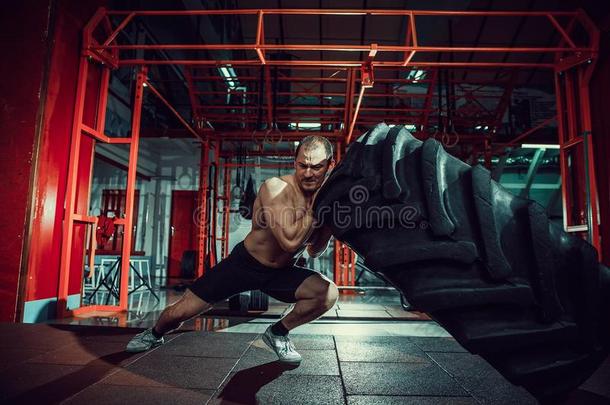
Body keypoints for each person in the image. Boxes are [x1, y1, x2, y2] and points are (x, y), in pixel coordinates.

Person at [126, 135, 338, 364]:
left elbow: (314, 251)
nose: (308, 173)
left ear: (330, 165)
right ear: (293, 161)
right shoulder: (276, 188)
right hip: (244, 264)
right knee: (180, 312)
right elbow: (290, 242)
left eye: (316, 167)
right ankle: (154, 333)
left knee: (327, 293)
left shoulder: (324, 199)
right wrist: (318, 208)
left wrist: (328, 224)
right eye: (302, 165)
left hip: (281, 272)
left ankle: (277, 333)